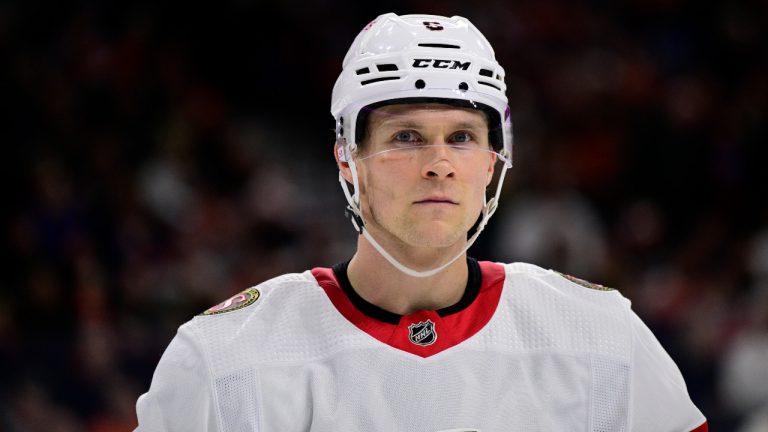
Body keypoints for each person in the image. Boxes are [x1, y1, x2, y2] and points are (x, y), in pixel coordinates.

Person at [134, 13, 707, 431]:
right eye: (405, 137)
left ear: (491, 162)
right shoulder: (225, 359)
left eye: (461, 137)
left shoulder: (599, 336)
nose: (438, 165)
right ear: (346, 159)